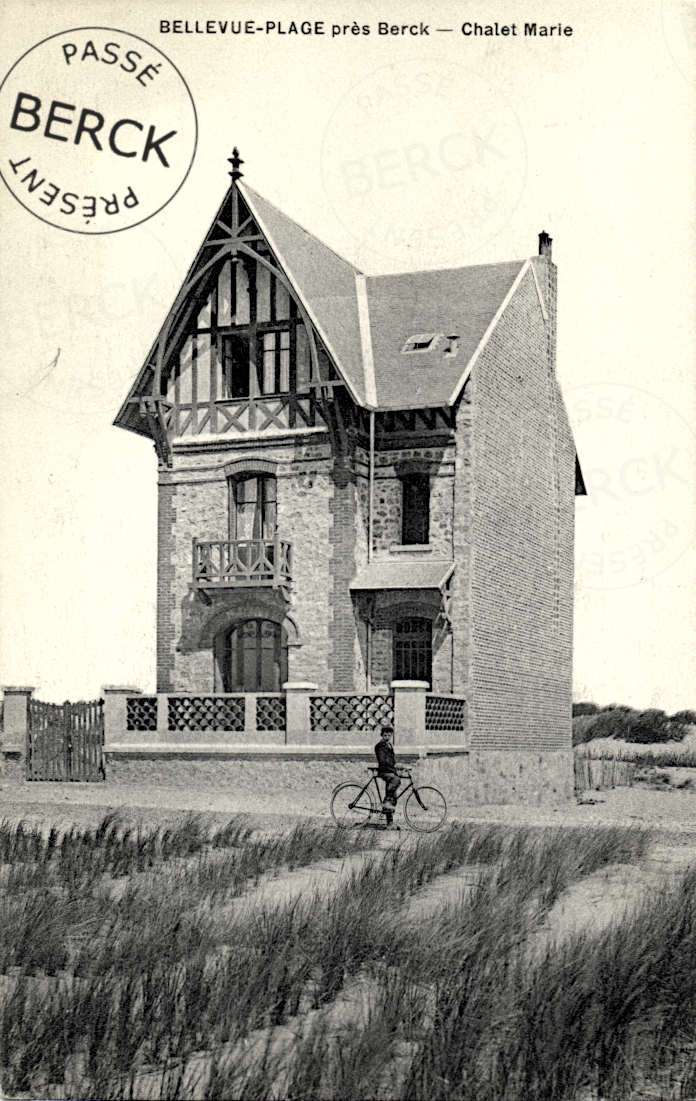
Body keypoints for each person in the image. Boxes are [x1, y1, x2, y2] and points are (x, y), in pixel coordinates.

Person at [374, 726, 401, 828]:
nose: (387, 737)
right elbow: (383, 762)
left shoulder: (389, 745)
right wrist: (394, 768)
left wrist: (397, 767)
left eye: (389, 735)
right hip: (384, 771)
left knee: (393, 795)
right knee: (396, 780)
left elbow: (391, 761)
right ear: (381, 735)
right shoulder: (380, 746)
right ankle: (386, 802)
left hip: (389, 771)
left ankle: (390, 823)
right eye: (385, 735)